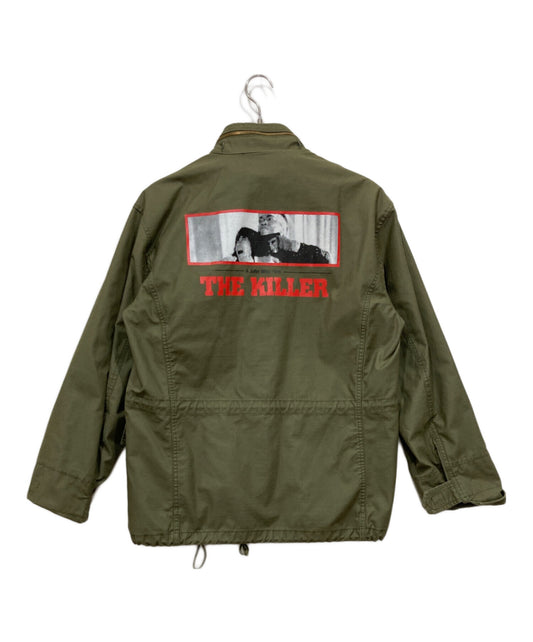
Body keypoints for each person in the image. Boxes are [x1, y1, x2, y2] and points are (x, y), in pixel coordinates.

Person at [256, 213, 330, 264]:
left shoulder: (293, 251)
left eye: (269, 219)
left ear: (283, 227)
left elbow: (324, 259)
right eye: (260, 220)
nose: (263, 223)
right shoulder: (255, 247)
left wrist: (296, 247)